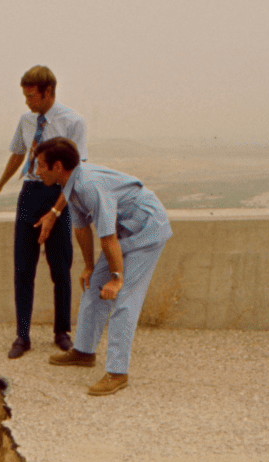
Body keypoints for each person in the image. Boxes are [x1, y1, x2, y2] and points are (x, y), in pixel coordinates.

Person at [32, 137, 173, 396]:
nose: (36, 171)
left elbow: (106, 237)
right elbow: (82, 228)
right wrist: (88, 266)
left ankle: (118, 373)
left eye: (41, 165)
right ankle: (84, 352)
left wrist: (117, 278)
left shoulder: (89, 186)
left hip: (146, 229)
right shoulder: (70, 184)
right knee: (94, 285)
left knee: (125, 297)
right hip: (124, 231)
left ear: (58, 166)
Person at [0, 65, 86, 359]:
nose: (27, 102)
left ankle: (61, 332)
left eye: (32, 96)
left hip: (59, 195)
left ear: (48, 92)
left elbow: (77, 172)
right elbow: (18, 153)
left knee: (60, 268)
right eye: (25, 96)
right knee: (23, 269)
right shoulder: (26, 120)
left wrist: (56, 210)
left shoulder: (73, 121)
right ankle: (22, 336)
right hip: (30, 194)